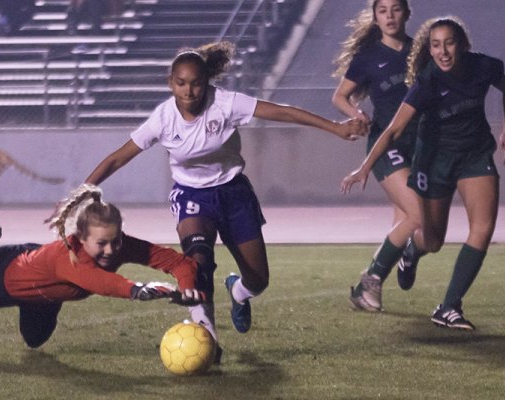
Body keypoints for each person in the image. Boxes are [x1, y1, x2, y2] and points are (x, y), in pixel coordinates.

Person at [84, 41, 368, 357]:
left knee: (259, 279)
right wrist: (83, 192)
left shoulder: (226, 103)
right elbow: (117, 158)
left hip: (234, 193)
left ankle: (238, 291)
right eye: (181, 84)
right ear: (170, 83)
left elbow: (283, 113)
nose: (189, 91)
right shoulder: (162, 119)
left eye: (196, 83)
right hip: (191, 195)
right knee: (198, 260)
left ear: (207, 82)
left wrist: (334, 128)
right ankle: (208, 340)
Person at [341, 16, 505, 330]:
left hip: (475, 155)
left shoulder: (483, 67)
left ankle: (449, 307)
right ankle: (412, 252)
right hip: (436, 160)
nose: (443, 51)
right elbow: (394, 129)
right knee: (432, 239)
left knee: (483, 228)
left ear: (461, 45)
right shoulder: (428, 81)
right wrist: (364, 168)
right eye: (436, 45)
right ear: (429, 49)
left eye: (449, 43)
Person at [0, 184, 205, 348]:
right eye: (101, 243)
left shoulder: (118, 246)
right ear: (81, 238)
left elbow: (177, 262)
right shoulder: (69, 256)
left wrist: (187, 286)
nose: (111, 251)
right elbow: (102, 282)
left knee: (34, 339)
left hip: (42, 287)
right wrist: (137, 290)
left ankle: (44, 296)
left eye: (116, 240)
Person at [332, 0, 422, 312]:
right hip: (387, 145)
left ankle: (387, 272)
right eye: (382, 10)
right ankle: (369, 281)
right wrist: (357, 113)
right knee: (417, 214)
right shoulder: (368, 57)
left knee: (406, 222)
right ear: (375, 17)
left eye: (396, 9)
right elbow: (339, 96)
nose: (389, 16)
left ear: (407, 13)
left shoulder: (421, 50)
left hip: (421, 145)